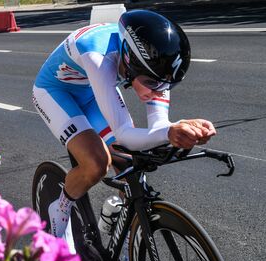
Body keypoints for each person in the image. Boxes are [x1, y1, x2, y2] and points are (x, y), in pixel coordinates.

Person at [33, 9, 216, 242]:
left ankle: (123, 238)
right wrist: (170, 133)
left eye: (165, 85)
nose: (156, 91)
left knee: (130, 164)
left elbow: (158, 126)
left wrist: (176, 129)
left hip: (92, 90)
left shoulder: (157, 69)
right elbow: (125, 134)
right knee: (97, 163)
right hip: (55, 91)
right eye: (150, 83)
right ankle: (60, 210)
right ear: (130, 64)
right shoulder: (99, 58)